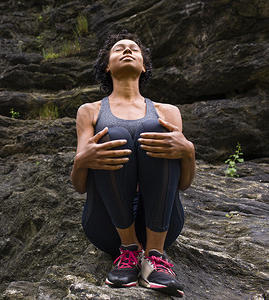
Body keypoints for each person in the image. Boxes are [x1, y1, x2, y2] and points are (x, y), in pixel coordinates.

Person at [70, 30, 196, 298]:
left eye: (133, 49)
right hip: (107, 226)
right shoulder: (90, 111)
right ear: (107, 66)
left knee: (157, 131)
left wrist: (189, 151)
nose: (127, 50)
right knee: (113, 136)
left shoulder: (167, 111)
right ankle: (128, 251)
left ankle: (155, 256)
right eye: (118, 49)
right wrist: (83, 159)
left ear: (144, 65)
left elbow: (183, 183)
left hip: (161, 223)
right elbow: (80, 186)